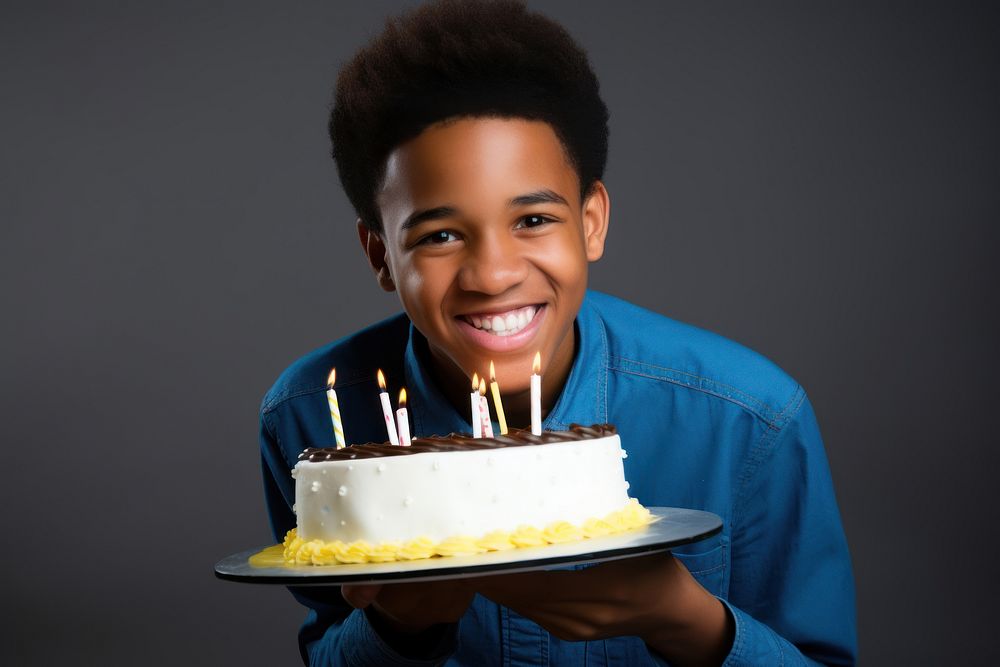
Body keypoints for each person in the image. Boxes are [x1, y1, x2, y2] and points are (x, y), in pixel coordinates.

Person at [258, 1, 857, 664]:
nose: (492, 274)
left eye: (534, 220)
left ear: (591, 221)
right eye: (441, 235)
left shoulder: (750, 421)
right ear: (379, 255)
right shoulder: (312, 417)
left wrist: (688, 620)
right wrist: (398, 626)